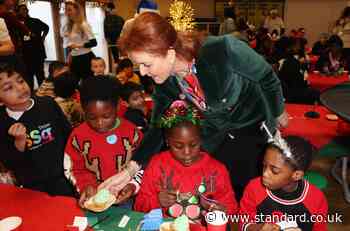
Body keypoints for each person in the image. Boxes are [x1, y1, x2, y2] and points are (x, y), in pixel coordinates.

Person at [105, 12, 287, 201]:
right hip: (216, 140)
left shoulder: (222, 50)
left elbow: (266, 76)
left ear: (169, 53)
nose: (142, 72)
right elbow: (158, 128)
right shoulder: (165, 84)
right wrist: (130, 170)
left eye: (146, 64)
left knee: (254, 195)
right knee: (223, 197)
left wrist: (278, 111)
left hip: (253, 129)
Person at [134, 101, 238, 222]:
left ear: (200, 139)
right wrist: (157, 200)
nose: (187, 152)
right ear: (167, 141)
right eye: (178, 146)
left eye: (194, 145)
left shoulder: (217, 170)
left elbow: (232, 209)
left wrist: (222, 211)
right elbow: (138, 206)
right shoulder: (157, 164)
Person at [63, 77, 143, 208]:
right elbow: (74, 168)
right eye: (92, 117)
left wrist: (132, 186)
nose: (99, 123)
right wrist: (86, 186)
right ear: (83, 109)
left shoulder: (132, 133)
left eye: (106, 116)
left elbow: (142, 165)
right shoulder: (77, 136)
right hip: (93, 198)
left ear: (118, 105)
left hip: (126, 198)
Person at [0, 63, 75, 196]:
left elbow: (68, 134)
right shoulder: (3, 122)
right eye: (8, 88)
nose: (20, 88)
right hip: (31, 187)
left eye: (20, 81)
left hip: (63, 178)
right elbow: (10, 163)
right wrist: (19, 142)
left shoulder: (47, 104)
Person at [239, 132, 328, 231]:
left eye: (275, 171)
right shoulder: (254, 188)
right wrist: (258, 228)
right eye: (264, 166)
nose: (265, 174)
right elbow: (244, 224)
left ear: (296, 175)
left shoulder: (316, 199)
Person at [61, 0, 96, 82]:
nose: (67, 12)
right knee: (73, 84)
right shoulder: (68, 25)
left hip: (86, 58)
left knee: (88, 84)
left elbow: (94, 43)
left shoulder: (84, 24)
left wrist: (78, 46)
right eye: (65, 10)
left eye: (69, 9)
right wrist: (70, 54)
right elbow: (69, 43)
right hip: (74, 58)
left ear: (76, 10)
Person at [16, 4, 49, 90]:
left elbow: (46, 27)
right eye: (22, 9)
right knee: (29, 75)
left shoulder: (35, 21)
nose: (25, 11)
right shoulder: (17, 23)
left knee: (40, 74)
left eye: (26, 9)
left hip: (38, 51)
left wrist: (43, 38)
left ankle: (43, 93)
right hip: (26, 53)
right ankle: (31, 94)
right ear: (18, 11)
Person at [278, 37, 319, 105]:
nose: (298, 47)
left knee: (313, 91)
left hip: (289, 90)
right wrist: (305, 83)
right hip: (292, 92)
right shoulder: (290, 61)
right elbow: (298, 81)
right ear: (289, 47)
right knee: (315, 93)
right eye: (296, 45)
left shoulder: (289, 59)